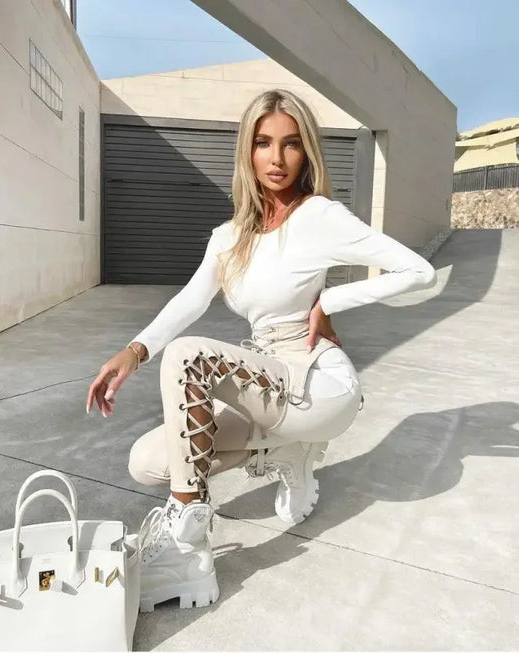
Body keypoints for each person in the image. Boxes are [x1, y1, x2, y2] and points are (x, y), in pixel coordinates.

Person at [85, 89, 437, 612]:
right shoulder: (229, 236)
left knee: (187, 356)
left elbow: (420, 272)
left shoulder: (319, 216)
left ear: (306, 152)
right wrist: (133, 352)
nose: (277, 158)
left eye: (291, 144)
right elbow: (191, 300)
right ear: (247, 152)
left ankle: (187, 548)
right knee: (149, 462)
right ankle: (285, 452)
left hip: (317, 381)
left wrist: (331, 300)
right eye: (263, 143)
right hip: (264, 377)